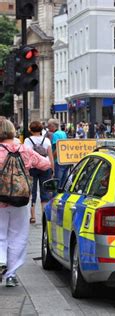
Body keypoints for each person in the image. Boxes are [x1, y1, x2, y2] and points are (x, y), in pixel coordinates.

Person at [0, 118, 51, 287]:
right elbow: (45, 164)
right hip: (21, 199)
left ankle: (1, 260)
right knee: (18, 235)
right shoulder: (24, 149)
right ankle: (11, 274)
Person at [24, 121, 54, 224]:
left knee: (32, 192)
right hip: (45, 167)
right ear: (41, 130)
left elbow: (26, 156)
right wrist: (52, 169)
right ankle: (44, 216)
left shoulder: (27, 140)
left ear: (31, 130)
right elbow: (51, 156)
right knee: (45, 192)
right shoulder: (46, 140)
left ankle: (32, 217)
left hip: (32, 168)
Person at [48, 119, 68, 186]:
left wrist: (52, 159)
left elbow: (57, 148)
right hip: (65, 159)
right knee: (63, 181)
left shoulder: (55, 135)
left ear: (53, 126)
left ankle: (56, 195)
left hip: (57, 160)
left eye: (49, 126)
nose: (48, 128)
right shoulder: (63, 133)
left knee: (57, 181)